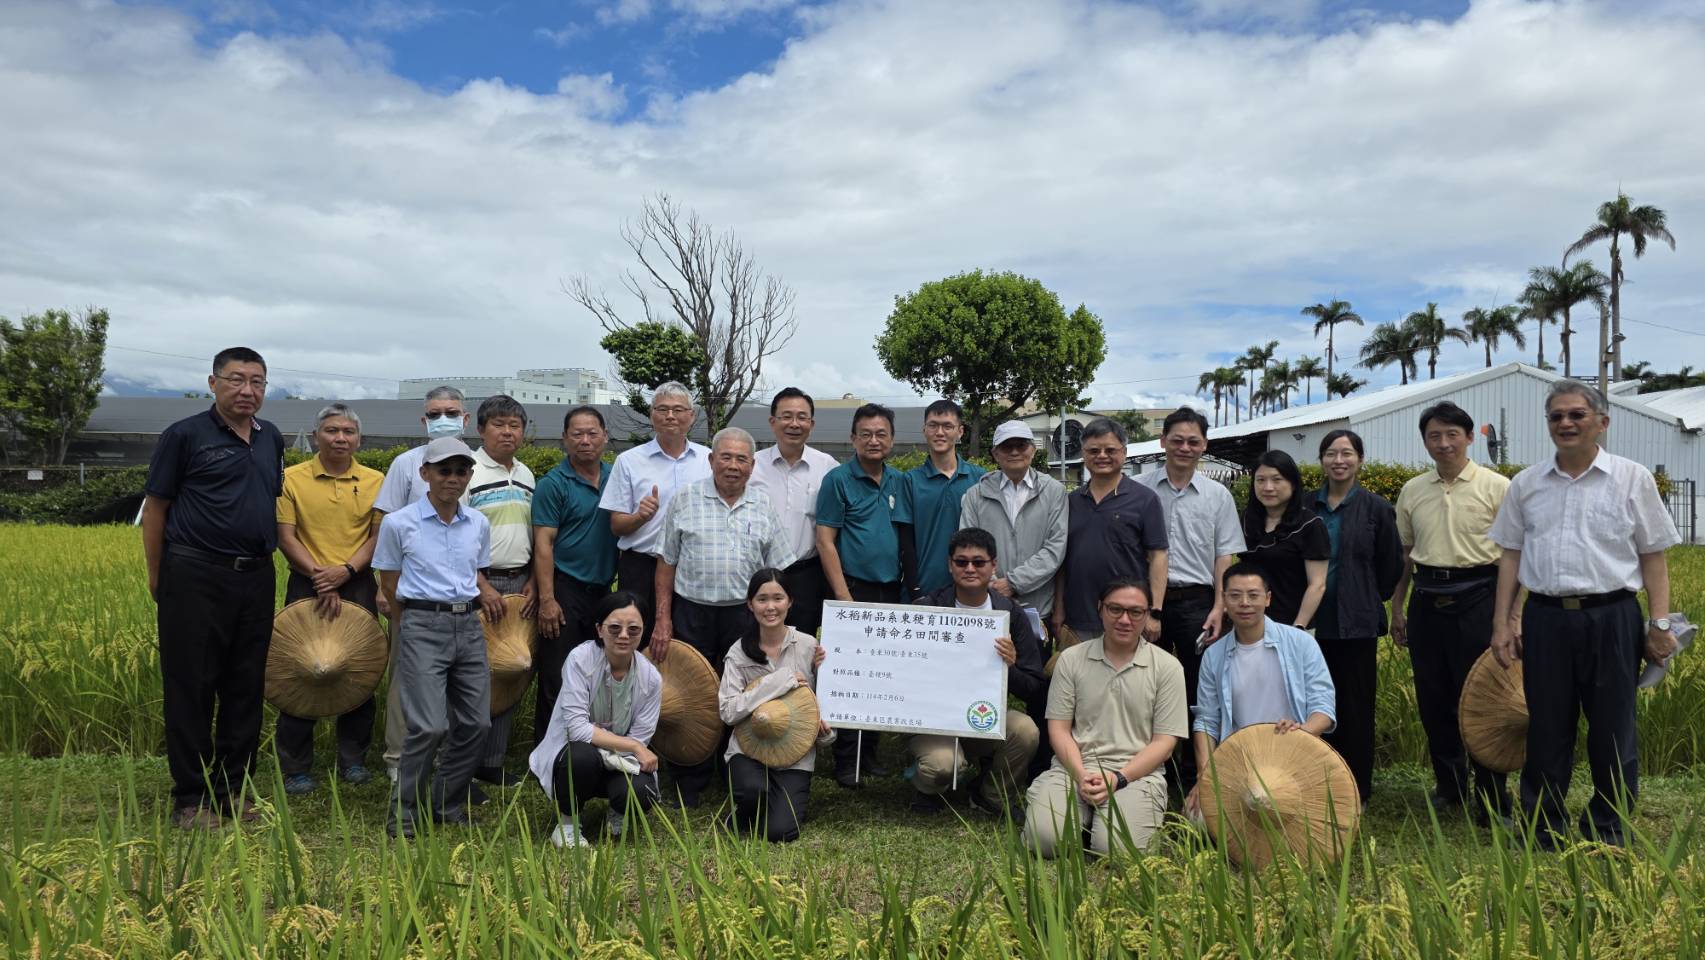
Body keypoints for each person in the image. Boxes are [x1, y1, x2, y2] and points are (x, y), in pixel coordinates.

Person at [1489, 380, 1680, 848]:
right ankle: (1542, 826)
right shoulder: (1526, 484)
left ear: (1602, 422)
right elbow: (1511, 556)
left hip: (1612, 616)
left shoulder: (1632, 479)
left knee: (1613, 727)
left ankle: (1608, 827)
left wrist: (1657, 624)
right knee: (1547, 725)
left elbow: (1653, 557)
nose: (1566, 424)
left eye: (1576, 415)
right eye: (1556, 416)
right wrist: (1502, 623)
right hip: (1547, 619)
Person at [143, 347, 287, 829]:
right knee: (192, 685)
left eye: (258, 382)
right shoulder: (184, 435)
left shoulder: (271, 439)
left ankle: (231, 791)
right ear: (213, 382)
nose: (248, 391)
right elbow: (157, 508)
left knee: (245, 686)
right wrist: (157, 574)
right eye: (237, 380)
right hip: (194, 574)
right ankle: (190, 797)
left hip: (255, 575)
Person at [654, 426, 796, 804]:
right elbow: (666, 564)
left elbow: (777, 572)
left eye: (742, 459)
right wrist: (663, 618)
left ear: (752, 466)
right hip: (692, 613)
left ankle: (736, 768)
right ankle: (689, 778)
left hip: (743, 616)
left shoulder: (763, 505)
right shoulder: (685, 499)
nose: (733, 466)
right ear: (711, 460)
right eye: (726, 457)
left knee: (745, 693)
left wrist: (775, 620)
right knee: (690, 697)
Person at [1389, 401, 1512, 823]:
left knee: (1482, 699)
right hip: (1426, 600)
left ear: (1469, 436)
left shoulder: (1497, 487)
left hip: (1480, 598)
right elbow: (1405, 557)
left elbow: (1515, 559)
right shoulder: (1412, 490)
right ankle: (1451, 787)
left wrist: (1510, 618)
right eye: (1434, 436)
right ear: (1425, 441)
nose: (1443, 444)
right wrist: (1398, 609)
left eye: (1451, 434)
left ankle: (1493, 797)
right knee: (1434, 698)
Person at [372, 436, 501, 839]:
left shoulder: (477, 523)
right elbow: (389, 583)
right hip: (422, 625)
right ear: (424, 474)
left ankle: (445, 802)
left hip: (468, 625)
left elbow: (477, 575)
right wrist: (412, 624)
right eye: (444, 470)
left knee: (477, 723)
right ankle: (404, 812)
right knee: (428, 726)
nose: (453, 478)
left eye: (461, 471)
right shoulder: (399, 523)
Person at [1024, 579, 1187, 858]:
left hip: (1136, 775)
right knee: (1044, 842)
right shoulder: (1071, 659)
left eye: (1135, 612)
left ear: (1147, 614)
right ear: (1100, 609)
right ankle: (1082, 818)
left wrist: (1118, 778)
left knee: (1118, 852)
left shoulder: (1168, 668)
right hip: (1074, 769)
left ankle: (1094, 824)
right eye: (1115, 609)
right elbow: (1059, 731)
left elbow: (1165, 742)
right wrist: (1080, 774)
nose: (1125, 619)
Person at [274, 403, 384, 795]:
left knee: (357, 669)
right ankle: (296, 767)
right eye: (332, 431)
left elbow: (376, 538)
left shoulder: (376, 480)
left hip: (357, 581)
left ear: (358, 438)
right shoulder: (290, 479)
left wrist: (346, 572)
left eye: (348, 432)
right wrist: (322, 577)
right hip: (307, 582)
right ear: (317, 434)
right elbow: (286, 536)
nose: (340, 438)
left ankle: (353, 760)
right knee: (299, 670)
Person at [1134, 407, 1246, 795]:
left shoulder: (1218, 496)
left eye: (1193, 441)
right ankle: (1151, 773)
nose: (1185, 447)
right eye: (1177, 440)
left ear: (1205, 446)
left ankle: (1194, 777)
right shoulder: (1141, 489)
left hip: (1199, 603)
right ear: (1162, 442)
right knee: (1150, 686)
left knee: (1200, 688)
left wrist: (1220, 607)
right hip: (1149, 603)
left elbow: (1224, 556)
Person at [1184, 563, 1336, 820]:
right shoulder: (1214, 655)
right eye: (1235, 595)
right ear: (1224, 600)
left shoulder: (1301, 643)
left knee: (1271, 804)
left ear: (1267, 599)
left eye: (1253, 595)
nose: (1244, 603)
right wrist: (1205, 776)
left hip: (1292, 757)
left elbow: (1324, 709)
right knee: (1197, 818)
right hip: (1239, 761)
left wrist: (1301, 733)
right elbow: (1206, 721)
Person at [958, 419, 1067, 776]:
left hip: (1037, 605)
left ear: (1033, 450)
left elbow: (1055, 548)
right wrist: (989, 582)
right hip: (985, 607)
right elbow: (968, 542)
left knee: (1037, 687)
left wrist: (1013, 582)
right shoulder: (976, 493)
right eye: (1007, 446)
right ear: (995, 454)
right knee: (981, 679)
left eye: (1022, 445)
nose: (1016, 451)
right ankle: (982, 756)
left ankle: (1036, 765)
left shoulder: (1053, 492)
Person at [374, 385, 470, 783]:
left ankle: (446, 762)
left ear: (465, 419)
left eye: (451, 411)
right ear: (423, 420)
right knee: (406, 682)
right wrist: (385, 591)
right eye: (435, 413)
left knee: (457, 683)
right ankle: (399, 760)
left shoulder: (473, 463)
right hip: (413, 600)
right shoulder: (406, 464)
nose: (442, 418)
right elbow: (384, 523)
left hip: (463, 599)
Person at [911, 528, 1043, 814]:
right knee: (943, 765)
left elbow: (1032, 684)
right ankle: (928, 788)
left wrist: (1011, 665)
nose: (970, 568)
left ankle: (990, 794)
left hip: (983, 715)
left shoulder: (1011, 614)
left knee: (1025, 731)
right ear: (950, 565)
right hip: (932, 718)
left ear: (993, 565)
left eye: (978, 562)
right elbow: (899, 668)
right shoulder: (928, 608)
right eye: (961, 562)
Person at [815, 402, 912, 786]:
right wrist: (843, 598)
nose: (874, 440)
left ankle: (870, 752)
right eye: (866, 434)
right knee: (849, 674)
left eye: (881, 434)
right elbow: (825, 540)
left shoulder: (898, 481)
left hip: (891, 590)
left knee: (881, 672)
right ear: (853, 438)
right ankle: (845, 759)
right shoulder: (838, 480)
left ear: (892, 440)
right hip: (852, 589)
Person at [528, 591, 662, 848]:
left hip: (618, 758)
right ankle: (567, 822)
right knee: (581, 756)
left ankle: (618, 810)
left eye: (634, 629)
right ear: (599, 630)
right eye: (614, 628)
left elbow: (641, 736)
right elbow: (577, 730)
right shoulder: (580, 659)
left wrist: (634, 746)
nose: (624, 635)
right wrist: (633, 746)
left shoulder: (651, 678)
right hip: (578, 756)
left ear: (644, 631)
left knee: (642, 791)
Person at [1312, 429, 1403, 803]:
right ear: (1321, 460)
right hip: (1310, 625)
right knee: (1313, 705)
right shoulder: (1305, 506)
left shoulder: (1377, 508)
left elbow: (1391, 564)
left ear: (1360, 460)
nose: (1339, 460)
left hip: (1356, 625)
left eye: (1347, 453)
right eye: (1331, 453)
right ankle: (1317, 780)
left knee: (1356, 707)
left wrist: (1365, 597)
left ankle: (1356, 789)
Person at [718, 569, 832, 842]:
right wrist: (781, 681)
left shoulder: (809, 646)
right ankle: (743, 809)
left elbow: (821, 707)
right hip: (749, 751)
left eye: (778, 598)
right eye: (762, 599)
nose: (770, 607)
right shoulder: (738, 652)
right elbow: (728, 711)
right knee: (754, 790)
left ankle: (769, 804)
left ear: (790, 601)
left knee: (781, 832)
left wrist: (826, 734)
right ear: (750, 604)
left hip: (796, 756)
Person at [531, 406, 618, 746]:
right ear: (565, 439)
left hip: (603, 593)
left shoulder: (617, 476)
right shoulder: (553, 484)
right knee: (557, 674)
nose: (585, 440)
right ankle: (548, 754)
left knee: (596, 672)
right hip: (564, 590)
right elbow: (543, 544)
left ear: (605, 438)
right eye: (577, 434)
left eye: (592, 433)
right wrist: (547, 600)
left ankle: (587, 747)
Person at [461, 395, 536, 791]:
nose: (508, 432)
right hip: (478, 586)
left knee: (512, 671)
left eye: (515, 425)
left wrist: (533, 580)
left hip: (519, 585)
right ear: (481, 429)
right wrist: (481, 584)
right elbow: (454, 535)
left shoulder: (526, 475)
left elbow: (534, 535)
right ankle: (461, 765)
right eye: (499, 425)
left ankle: (492, 761)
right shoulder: (466, 473)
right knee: (475, 677)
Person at [599, 381, 712, 639]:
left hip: (691, 566)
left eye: (678, 409)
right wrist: (640, 516)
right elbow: (616, 525)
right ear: (652, 415)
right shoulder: (629, 461)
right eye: (662, 409)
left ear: (691, 416)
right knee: (638, 639)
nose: (670, 415)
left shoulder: (708, 460)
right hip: (641, 567)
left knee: (689, 641)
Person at [1053, 418, 1168, 646]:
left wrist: (1154, 612)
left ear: (1124, 453)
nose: (1102, 456)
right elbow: (1062, 562)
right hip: (1078, 619)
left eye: (1110, 450)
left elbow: (1158, 558)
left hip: (1128, 618)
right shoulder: (1070, 501)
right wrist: (1058, 609)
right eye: (1093, 450)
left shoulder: (1145, 500)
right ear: (1083, 454)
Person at [748, 387, 840, 637]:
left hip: (806, 575)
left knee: (802, 643)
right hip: (757, 572)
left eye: (802, 417)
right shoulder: (752, 465)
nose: (794, 424)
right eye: (786, 416)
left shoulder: (828, 467)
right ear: (772, 421)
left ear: (811, 423)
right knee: (756, 643)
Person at [898, 400, 985, 599]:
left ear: (960, 432)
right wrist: (914, 588)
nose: (940, 432)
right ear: (924, 430)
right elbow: (905, 540)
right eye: (933, 425)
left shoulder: (979, 478)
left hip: (970, 591)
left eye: (947, 426)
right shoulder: (910, 480)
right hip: (923, 590)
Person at [1239, 450, 1329, 629]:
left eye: (1277, 479)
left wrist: (1299, 627)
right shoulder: (1247, 521)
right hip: (1251, 625)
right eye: (1260, 480)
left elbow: (1317, 585)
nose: (1268, 487)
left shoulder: (1310, 525)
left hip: (1293, 626)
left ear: (1293, 483)